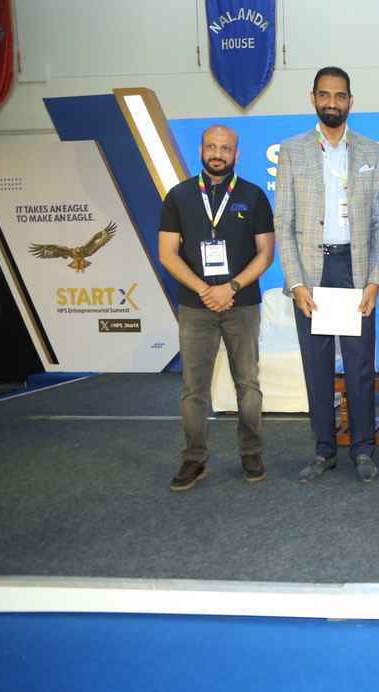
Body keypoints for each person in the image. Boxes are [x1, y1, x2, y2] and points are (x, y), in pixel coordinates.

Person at [275, 66, 379, 483]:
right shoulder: (292, 150)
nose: (332, 103)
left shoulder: (372, 152)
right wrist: (296, 283)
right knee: (316, 365)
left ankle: (363, 449)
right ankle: (324, 450)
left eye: (340, 96)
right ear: (313, 99)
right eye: (325, 95)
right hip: (311, 273)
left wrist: (374, 279)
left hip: (354, 270)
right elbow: (283, 222)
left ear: (350, 101)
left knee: (360, 367)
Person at [158, 124, 275, 491]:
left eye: (225, 148)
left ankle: (251, 452)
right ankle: (193, 458)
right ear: (201, 150)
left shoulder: (254, 196)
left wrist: (231, 287)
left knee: (248, 383)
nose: (218, 154)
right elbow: (167, 253)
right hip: (195, 306)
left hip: (242, 304)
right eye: (212, 147)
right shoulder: (178, 196)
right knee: (193, 388)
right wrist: (205, 290)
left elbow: (265, 253)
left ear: (236, 154)